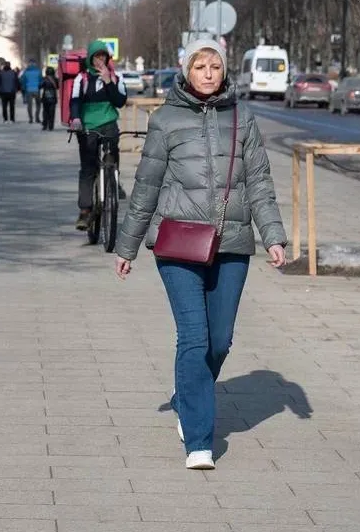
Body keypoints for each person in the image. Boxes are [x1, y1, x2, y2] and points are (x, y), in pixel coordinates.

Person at [114, 38, 287, 472]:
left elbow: (261, 183)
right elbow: (147, 186)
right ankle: (199, 440)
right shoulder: (166, 119)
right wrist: (127, 246)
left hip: (231, 243)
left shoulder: (242, 118)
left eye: (214, 66)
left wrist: (273, 236)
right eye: (199, 66)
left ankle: (185, 395)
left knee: (221, 339)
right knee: (194, 337)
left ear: (224, 70)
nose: (208, 73)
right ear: (186, 71)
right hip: (178, 245)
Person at [69, 41, 127, 230]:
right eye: (97, 56)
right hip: (87, 127)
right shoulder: (82, 78)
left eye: (103, 56)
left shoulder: (116, 77)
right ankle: (85, 212)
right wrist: (76, 118)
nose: (100, 60)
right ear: (91, 59)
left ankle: (113, 180)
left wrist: (109, 81)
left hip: (109, 124)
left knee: (111, 154)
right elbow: (75, 101)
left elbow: (120, 102)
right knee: (88, 168)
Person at [20, 59, 43, 124]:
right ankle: (37, 118)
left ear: (29, 64)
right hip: (36, 90)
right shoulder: (38, 71)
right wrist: (39, 86)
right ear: (35, 63)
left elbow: (22, 81)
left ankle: (30, 119)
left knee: (29, 105)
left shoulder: (26, 72)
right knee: (38, 104)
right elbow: (41, 80)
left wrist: (24, 89)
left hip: (28, 90)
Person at [39, 66, 59, 131]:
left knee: (45, 112)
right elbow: (58, 86)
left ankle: (45, 125)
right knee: (52, 113)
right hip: (53, 98)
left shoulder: (44, 79)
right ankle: (51, 126)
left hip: (45, 98)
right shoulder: (55, 79)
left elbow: (40, 86)